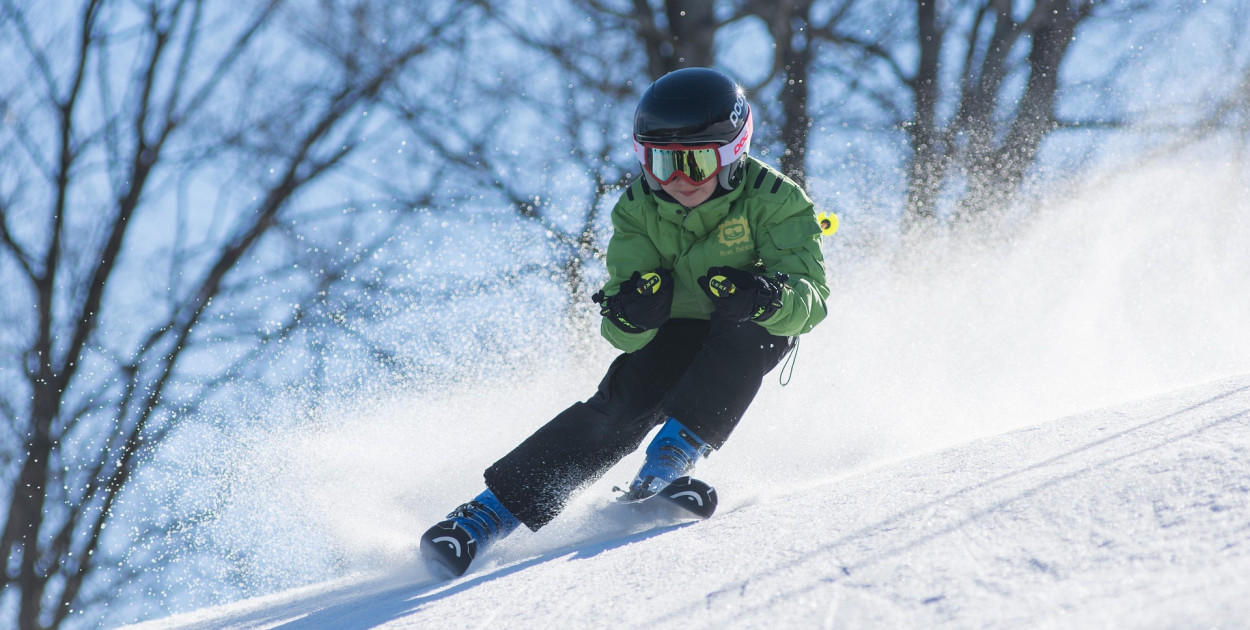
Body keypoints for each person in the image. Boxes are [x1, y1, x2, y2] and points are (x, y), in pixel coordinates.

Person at [420, 67, 830, 577]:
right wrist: (633, 313)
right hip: (674, 329)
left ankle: (666, 466)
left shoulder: (776, 199)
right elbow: (618, 329)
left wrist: (766, 297)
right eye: (660, 163)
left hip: (744, 323)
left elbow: (811, 301)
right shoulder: (637, 208)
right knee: (621, 405)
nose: (677, 180)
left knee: (756, 334)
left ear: (732, 155)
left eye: (696, 163)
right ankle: (483, 517)